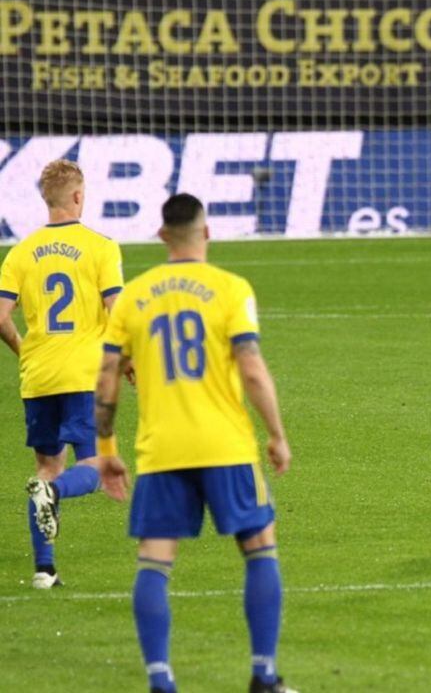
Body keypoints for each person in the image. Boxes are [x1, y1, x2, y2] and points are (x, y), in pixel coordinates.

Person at [93, 194, 296, 693]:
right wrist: (276, 434)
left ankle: (161, 681)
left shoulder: (134, 296)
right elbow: (251, 367)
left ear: (162, 235)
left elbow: (107, 374)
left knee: (155, 561)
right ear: (206, 232)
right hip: (226, 447)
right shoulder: (231, 288)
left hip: (162, 452)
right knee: (260, 549)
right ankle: (263, 676)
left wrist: (106, 450)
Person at [0, 159, 124, 589]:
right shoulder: (101, 247)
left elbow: (1, 316)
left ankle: (45, 569)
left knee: (48, 466)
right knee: (97, 465)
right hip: (84, 374)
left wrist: (24, 350)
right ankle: (54, 495)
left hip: (38, 376)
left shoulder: (20, 253)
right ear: (77, 196)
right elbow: (117, 311)